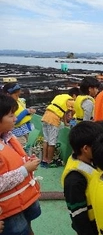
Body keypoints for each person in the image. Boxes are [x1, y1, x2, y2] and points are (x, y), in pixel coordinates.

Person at [0, 94, 41, 235]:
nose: (15, 119)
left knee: (28, 229)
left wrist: (27, 161)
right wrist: (25, 170)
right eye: (11, 115)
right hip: (8, 210)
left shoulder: (8, 137)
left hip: (23, 200)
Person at [61, 121, 103, 235]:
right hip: (92, 226)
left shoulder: (91, 160)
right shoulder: (74, 180)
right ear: (86, 148)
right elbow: (78, 216)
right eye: (97, 145)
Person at [41, 92, 74, 167]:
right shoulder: (70, 100)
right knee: (52, 142)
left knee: (46, 140)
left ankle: (44, 159)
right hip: (53, 120)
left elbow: (61, 110)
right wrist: (66, 123)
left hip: (45, 117)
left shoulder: (59, 97)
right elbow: (66, 112)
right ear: (74, 96)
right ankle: (49, 161)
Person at [2, 82, 36, 147]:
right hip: (17, 132)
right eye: (16, 96)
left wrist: (29, 111)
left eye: (18, 95)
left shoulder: (18, 101)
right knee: (20, 145)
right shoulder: (7, 106)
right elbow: (15, 120)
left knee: (23, 144)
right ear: (8, 94)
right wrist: (25, 112)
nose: (18, 98)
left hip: (23, 130)